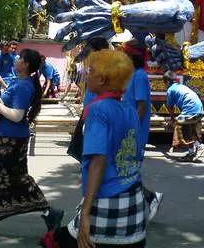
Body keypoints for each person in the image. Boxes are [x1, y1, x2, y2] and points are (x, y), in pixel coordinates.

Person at [41, 49, 146, 248]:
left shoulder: (98, 110)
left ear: (102, 79)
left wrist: (85, 215)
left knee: (53, 242)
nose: (86, 75)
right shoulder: (129, 109)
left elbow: (99, 161)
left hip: (108, 203)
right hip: (135, 204)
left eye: (90, 71)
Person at [0, 48, 64, 235]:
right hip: (9, 137)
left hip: (11, 139)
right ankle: (46, 213)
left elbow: (17, 116)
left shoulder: (24, 86)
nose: (16, 59)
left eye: (19, 58)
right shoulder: (20, 82)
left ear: (25, 64)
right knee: (12, 177)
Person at [121, 40, 163, 222]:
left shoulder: (139, 76)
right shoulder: (133, 75)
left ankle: (149, 197)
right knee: (125, 171)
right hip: (129, 129)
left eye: (125, 54)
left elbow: (141, 107)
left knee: (127, 171)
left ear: (132, 57)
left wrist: (131, 130)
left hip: (134, 132)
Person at [164, 71, 204, 161]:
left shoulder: (170, 90)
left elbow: (170, 107)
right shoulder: (181, 86)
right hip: (199, 110)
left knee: (180, 124)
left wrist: (172, 119)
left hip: (191, 111)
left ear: (166, 82)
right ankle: (193, 150)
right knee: (189, 126)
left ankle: (198, 146)